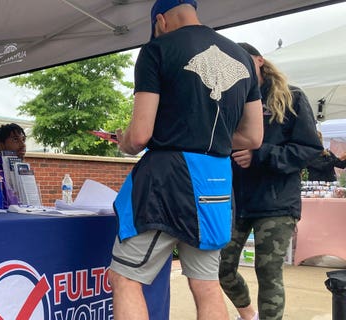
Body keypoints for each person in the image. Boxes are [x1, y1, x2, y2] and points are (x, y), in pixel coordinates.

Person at [108, 1, 264, 319]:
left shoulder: (157, 50)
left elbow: (139, 136)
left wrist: (123, 141)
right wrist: (206, 131)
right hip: (216, 184)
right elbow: (253, 138)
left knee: (125, 278)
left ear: (161, 21)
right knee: (206, 286)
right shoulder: (243, 59)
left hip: (167, 184)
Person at [218, 42, 323, 320]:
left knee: (268, 273)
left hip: (276, 203)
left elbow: (310, 150)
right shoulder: (231, 101)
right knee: (222, 267)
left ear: (260, 61)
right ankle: (248, 314)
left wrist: (260, 155)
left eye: (243, 61)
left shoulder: (291, 97)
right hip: (237, 201)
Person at [0, 123, 27, 208]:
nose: (23, 145)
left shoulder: (20, 168)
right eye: (15, 140)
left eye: (23, 140)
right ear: (1, 145)